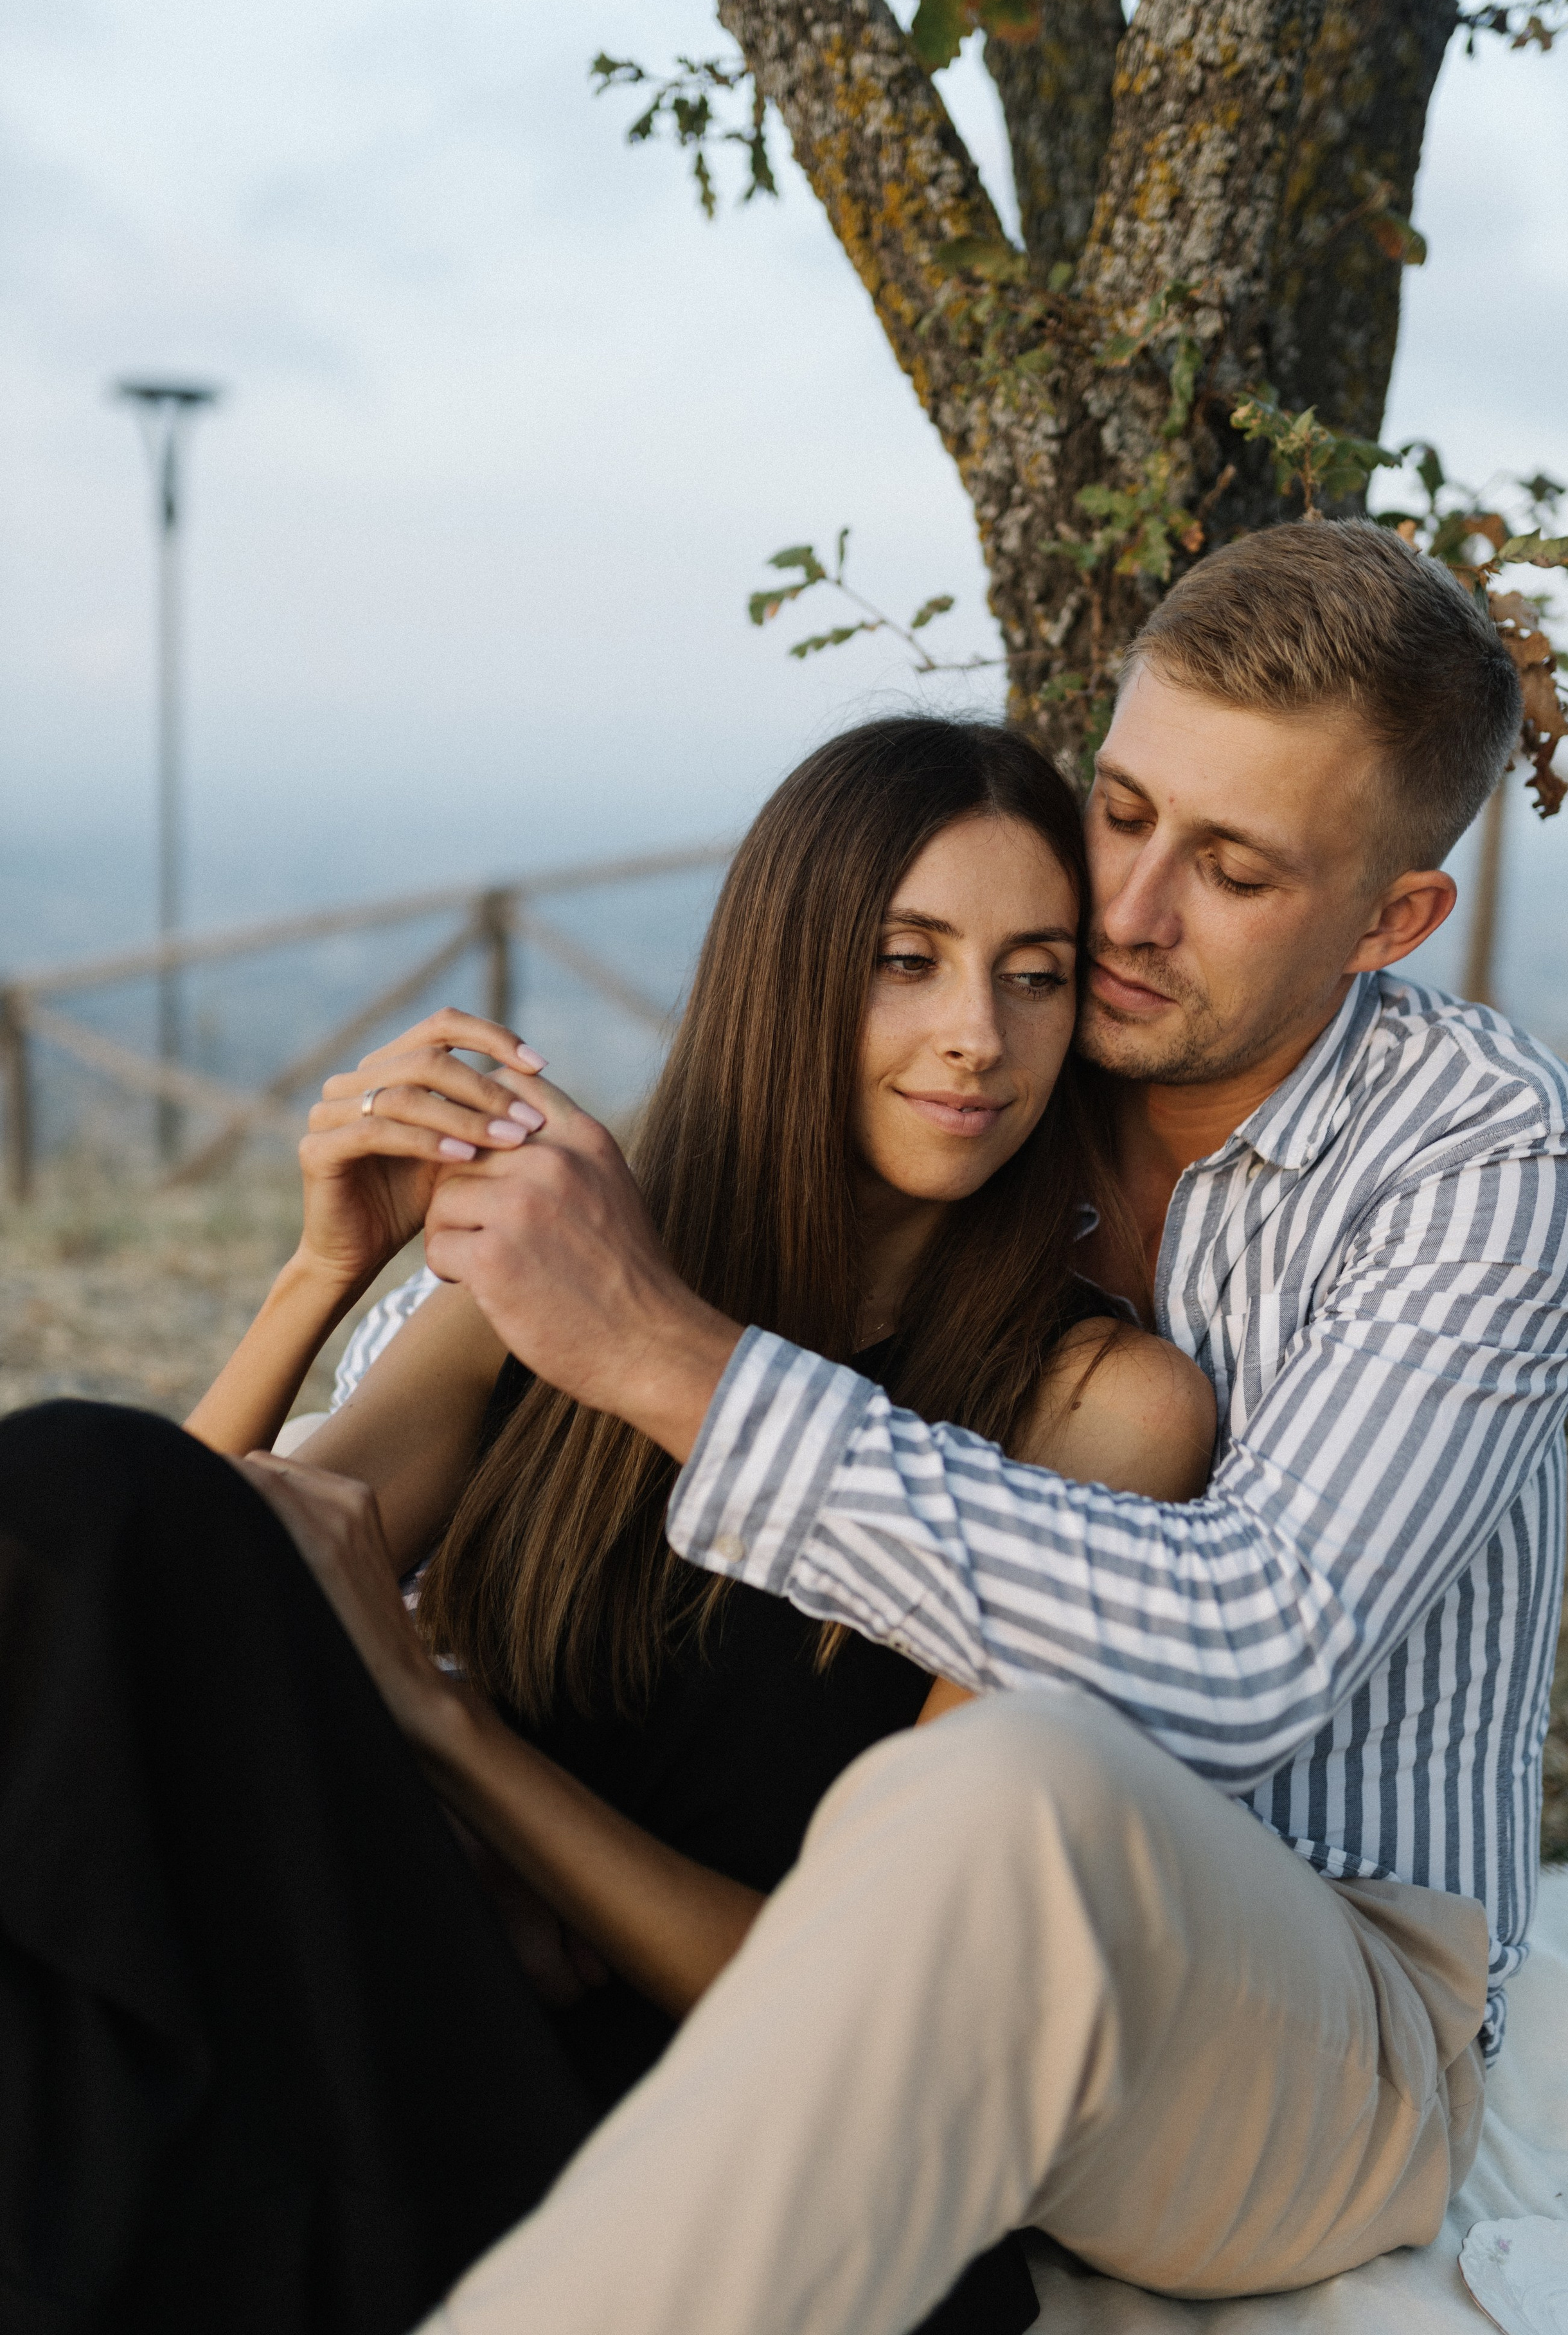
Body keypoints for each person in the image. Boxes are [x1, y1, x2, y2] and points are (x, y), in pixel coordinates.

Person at [321, 519, 1568, 2335]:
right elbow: (537, 1307)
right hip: (901, 1915)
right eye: (1125, 810)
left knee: (1006, 1791)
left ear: (1392, 921)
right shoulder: (1010, 1025)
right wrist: (425, 1287)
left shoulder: (1491, 1151)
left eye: (1233, 868)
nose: (1132, 914)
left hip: (1324, 2010)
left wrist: (668, 1360)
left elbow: (1255, 1644)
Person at [0, 720, 1211, 2335]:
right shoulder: (579, 1263)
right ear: (783, 971)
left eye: (1034, 975)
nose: (973, 1036)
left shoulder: (1099, 1411)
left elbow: (857, 1999)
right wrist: (318, 1281)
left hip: (685, 2121)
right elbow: (150, 1586)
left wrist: (447, 1739)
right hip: (406, 1984)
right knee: (81, 1474)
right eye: (903, 961)